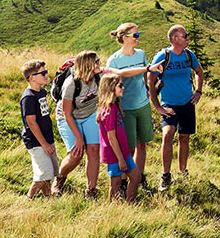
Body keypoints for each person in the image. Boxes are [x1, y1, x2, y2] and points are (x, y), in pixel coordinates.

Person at [51, 50, 159, 199]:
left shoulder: (100, 74)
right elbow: (67, 113)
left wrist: (148, 69)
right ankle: (60, 177)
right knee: (76, 154)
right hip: (68, 117)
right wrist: (79, 138)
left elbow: (122, 73)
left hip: (89, 115)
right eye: (96, 61)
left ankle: (91, 190)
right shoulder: (71, 84)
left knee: (94, 150)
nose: (100, 63)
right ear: (87, 65)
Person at [148, 24, 204, 192]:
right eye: (185, 35)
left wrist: (199, 91)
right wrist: (157, 106)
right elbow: (150, 80)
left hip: (187, 103)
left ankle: (182, 171)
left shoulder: (189, 55)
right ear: (175, 39)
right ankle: (165, 175)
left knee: (184, 137)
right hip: (169, 104)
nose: (188, 38)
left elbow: (199, 72)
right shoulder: (163, 56)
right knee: (167, 135)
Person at [107, 23, 154, 191]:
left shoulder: (141, 55)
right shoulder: (114, 60)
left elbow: (144, 74)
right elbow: (114, 81)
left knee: (142, 144)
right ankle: (125, 180)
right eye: (135, 35)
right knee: (129, 147)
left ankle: (139, 178)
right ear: (125, 38)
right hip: (125, 108)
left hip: (142, 105)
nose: (138, 38)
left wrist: (147, 89)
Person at [97, 74, 141, 203]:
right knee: (115, 183)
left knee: (136, 177)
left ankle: (130, 204)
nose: (123, 87)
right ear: (111, 88)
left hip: (123, 152)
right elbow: (111, 138)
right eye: (120, 85)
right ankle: (113, 208)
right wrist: (121, 159)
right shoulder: (108, 111)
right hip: (114, 154)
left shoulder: (115, 106)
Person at [19, 59, 58, 199]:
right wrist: (44, 144)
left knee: (48, 172)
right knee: (42, 175)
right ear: (31, 78)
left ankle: (48, 198)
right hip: (37, 141)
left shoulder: (41, 92)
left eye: (46, 72)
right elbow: (31, 123)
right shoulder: (28, 98)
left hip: (46, 138)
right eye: (42, 73)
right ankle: (29, 198)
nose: (46, 75)